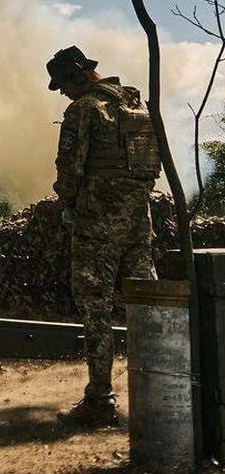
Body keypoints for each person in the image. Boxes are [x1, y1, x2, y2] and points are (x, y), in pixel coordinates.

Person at [47, 46, 160, 427]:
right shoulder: (134, 102)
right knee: (146, 306)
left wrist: (67, 201)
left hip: (97, 227)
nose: (63, 93)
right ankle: (158, 394)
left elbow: (70, 170)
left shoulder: (83, 110)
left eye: (63, 84)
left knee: (96, 311)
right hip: (139, 224)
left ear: (78, 75)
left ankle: (99, 400)